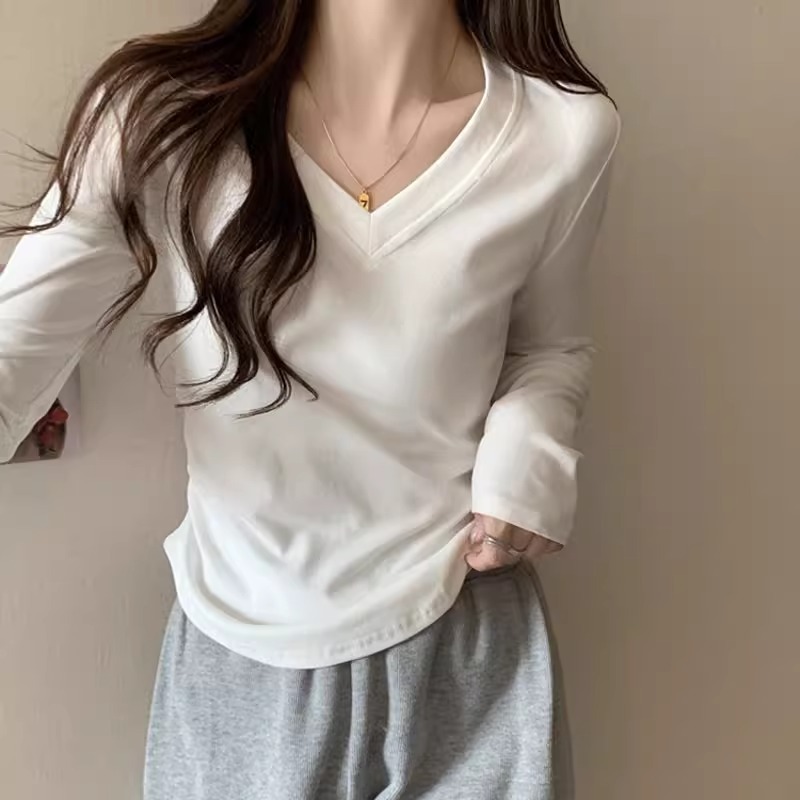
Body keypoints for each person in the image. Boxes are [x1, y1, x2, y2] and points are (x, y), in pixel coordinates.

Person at [0, 1, 620, 797]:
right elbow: (16, 352)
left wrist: (528, 451)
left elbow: (548, 346)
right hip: (241, 651)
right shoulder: (162, 112)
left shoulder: (563, 131)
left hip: (466, 634)